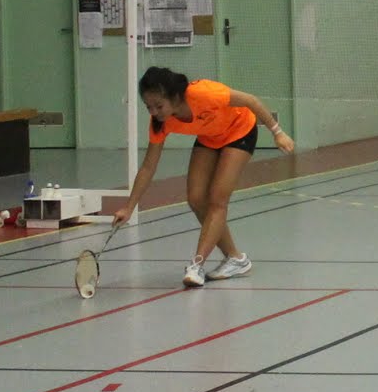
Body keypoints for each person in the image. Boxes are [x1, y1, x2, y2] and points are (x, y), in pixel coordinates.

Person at [116, 66, 294, 287]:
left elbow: (251, 101)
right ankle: (236, 259)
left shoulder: (204, 93)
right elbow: (148, 167)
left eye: (159, 106)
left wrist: (278, 132)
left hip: (240, 129)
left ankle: (196, 265)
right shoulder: (160, 123)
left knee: (218, 199)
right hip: (210, 137)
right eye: (148, 107)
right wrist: (129, 207)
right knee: (196, 199)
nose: (154, 112)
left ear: (175, 97)